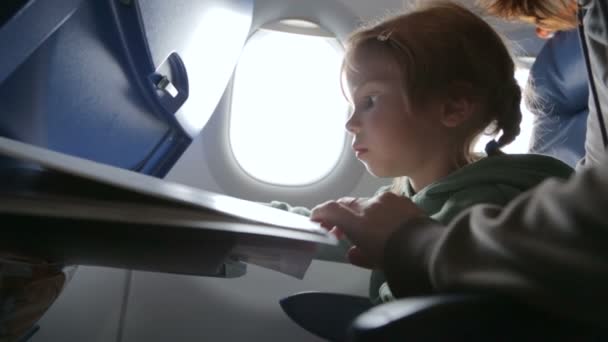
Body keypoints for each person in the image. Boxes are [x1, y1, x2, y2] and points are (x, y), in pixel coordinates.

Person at [310, 0, 608, 323]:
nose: (350, 123)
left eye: (369, 101)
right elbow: (350, 228)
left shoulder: (486, 202)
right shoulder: (410, 196)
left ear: (453, 108)